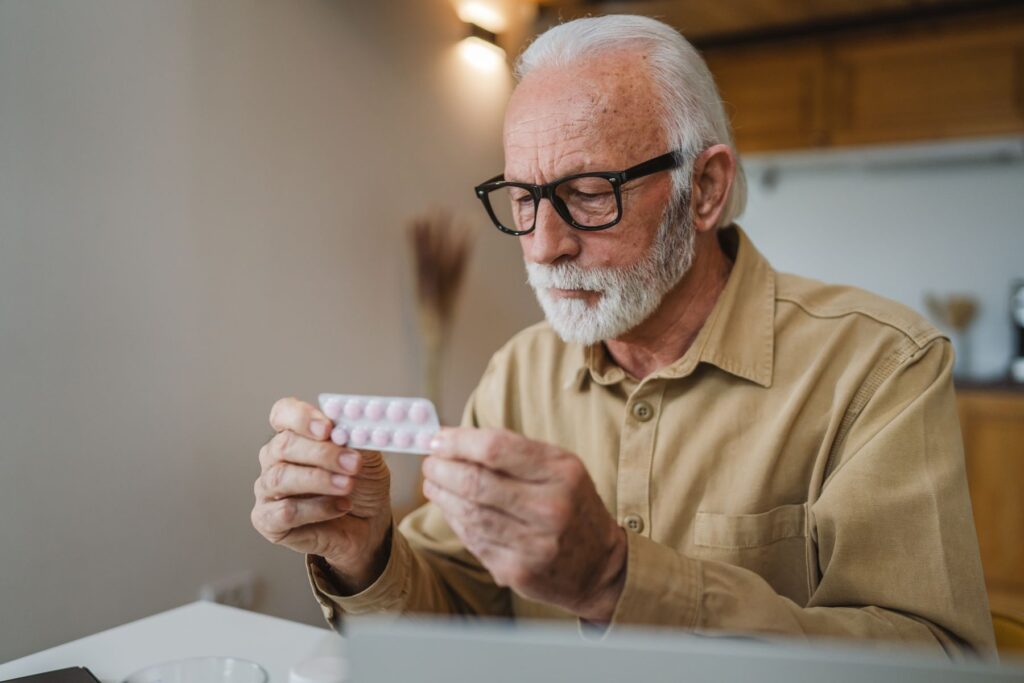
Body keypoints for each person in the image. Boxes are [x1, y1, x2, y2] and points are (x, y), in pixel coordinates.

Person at [250, 15, 995, 657]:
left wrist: (615, 578)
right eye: (522, 198)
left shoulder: (878, 369)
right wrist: (365, 554)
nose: (542, 245)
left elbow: (938, 662)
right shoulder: (518, 373)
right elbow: (459, 620)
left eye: (585, 195)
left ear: (703, 190)